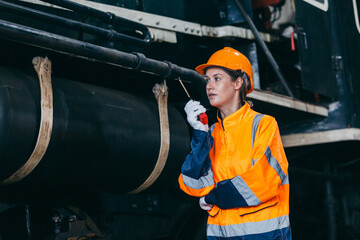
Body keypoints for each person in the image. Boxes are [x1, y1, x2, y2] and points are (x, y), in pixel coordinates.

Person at [178, 47, 291, 239]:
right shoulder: (211, 132)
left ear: (238, 82)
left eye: (217, 78)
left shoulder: (263, 124)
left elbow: (263, 181)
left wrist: (213, 197)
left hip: (263, 234)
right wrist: (199, 134)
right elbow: (193, 185)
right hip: (222, 234)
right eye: (207, 80)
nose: (209, 86)